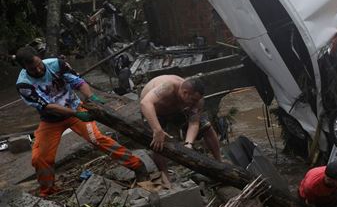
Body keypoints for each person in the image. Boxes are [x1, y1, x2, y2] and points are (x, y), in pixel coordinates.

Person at [14, 46, 147, 197]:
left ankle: (137, 165)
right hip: (51, 119)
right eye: (33, 69)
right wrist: (76, 114)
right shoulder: (23, 84)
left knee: (97, 139)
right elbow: (48, 106)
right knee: (40, 158)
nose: (38, 70)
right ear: (24, 68)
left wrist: (91, 97)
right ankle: (48, 191)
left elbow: (77, 82)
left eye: (39, 64)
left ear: (40, 58)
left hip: (75, 106)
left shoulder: (57, 64)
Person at [140, 75, 222, 188]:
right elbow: (145, 103)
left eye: (197, 100)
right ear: (184, 93)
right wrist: (157, 130)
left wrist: (188, 144)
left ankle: (219, 163)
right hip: (154, 110)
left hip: (178, 110)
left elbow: (194, 123)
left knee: (207, 127)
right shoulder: (168, 87)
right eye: (193, 100)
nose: (195, 103)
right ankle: (165, 176)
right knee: (158, 142)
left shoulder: (197, 100)